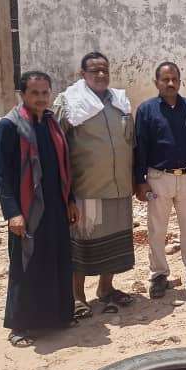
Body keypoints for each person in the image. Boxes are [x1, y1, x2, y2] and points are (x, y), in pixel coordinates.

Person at [0, 71, 78, 347]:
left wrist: (70, 200)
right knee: (26, 264)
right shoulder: (10, 126)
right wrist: (13, 213)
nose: (41, 98)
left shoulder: (52, 123)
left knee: (56, 260)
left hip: (56, 205)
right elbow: (2, 175)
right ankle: (20, 325)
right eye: (34, 93)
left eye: (45, 93)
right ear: (23, 95)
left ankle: (58, 317)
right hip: (27, 209)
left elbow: (64, 166)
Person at [53, 52, 136, 316]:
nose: (101, 75)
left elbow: (130, 142)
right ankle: (77, 296)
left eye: (105, 70)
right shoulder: (69, 103)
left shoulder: (120, 101)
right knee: (83, 244)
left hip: (118, 187)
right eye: (94, 71)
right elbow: (56, 147)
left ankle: (106, 288)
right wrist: (65, 193)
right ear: (83, 74)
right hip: (87, 188)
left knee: (113, 241)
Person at [134, 62, 186, 298]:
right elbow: (139, 146)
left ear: (179, 81)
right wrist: (140, 180)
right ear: (156, 82)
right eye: (165, 79)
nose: (170, 83)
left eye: (174, 79)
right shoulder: (146, 110)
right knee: (157, 230)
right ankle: (158, 276)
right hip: (158, 177)